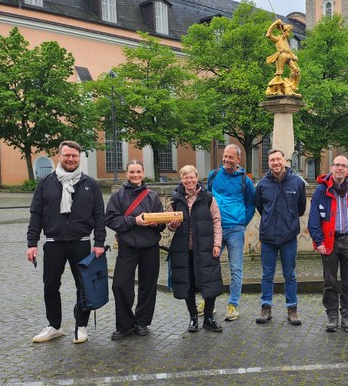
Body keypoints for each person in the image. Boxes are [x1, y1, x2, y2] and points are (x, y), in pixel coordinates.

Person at [27, 140, 106, 344]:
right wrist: (32, 243)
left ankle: (81, 326)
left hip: (81, 243)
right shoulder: (45, 183)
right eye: (67, 155)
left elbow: (99, 216)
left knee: (84, 286)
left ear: (79, 158)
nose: (70, 159)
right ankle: (54, 326)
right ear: (59, 156)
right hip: (53, 242)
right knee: (50, 286)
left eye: (74, 156)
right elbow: (36, 214)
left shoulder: (90, 184)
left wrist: (99, 242)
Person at [105, 161, 165, 340]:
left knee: (148, 285)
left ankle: (142, 322)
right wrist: (134, 221)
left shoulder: (152, 196)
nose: (135, 175)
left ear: (143, 173)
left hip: (150, 246)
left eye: (138, 171)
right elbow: (111, 220)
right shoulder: (118, 196)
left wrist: (157, 223)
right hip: (128, 246)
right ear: (127, 174)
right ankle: (125, 324)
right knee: (120, 285)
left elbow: (161, 224)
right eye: (132, 172)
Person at [309, 155, 348, 333]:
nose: (339, 168)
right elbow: (313, 219)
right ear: (331, 168)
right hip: (329, 239)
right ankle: (332, 316)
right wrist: (318, 240)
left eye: (343, 166)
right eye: (336, 165)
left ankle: (347, 316)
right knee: (330, 280)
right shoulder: (321, 190)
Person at [254, 149, 308, 325]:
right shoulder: (262, 185)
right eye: (271, 160)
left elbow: (300, 209)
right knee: (267, 274)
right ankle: (266, 308)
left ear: (285, 161)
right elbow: (260, 208)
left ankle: (292, 309)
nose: (275, 163)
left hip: (288, 237)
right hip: (268, 237)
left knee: (290, 275)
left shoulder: (297, 183)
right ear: (268, 163)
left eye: (278, 159)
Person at [167, 165, 223, 333]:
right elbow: (169, 225)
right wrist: (172, 225)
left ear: (197, 178)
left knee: (209, 282)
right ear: (181, 180)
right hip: (184, 249)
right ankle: (193, 318)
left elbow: (216, 221)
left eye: (192, 177)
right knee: (187, 284)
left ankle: (209, 318)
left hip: (206, 247)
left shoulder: (208, 198)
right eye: (186, 178)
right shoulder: (175, 199)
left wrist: (217, 244)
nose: (189, 181)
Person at [206, 144, 256, 322]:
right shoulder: (213, 176)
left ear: (238, 160)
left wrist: (242, 221)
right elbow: (207, 199)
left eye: (230, 157)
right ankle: (208, 302)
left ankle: (233, 304)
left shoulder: (245, 181)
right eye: (225, 156)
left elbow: (251, 204)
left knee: (235, 268)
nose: (226, 160)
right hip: (215, 229)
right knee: (210, 267)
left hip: (235, 229)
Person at [265, 18, 301, 96]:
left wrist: (294, 56)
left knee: (296, 71)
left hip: (288, 56)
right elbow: (268, 35)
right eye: (288, 32)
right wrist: (275, 24)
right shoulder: (278, 39)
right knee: (279, 73)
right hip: (281, 56)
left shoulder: (286, 42)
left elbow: (289, 51)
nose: (289, 34)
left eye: (289, 32)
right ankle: (277, 89)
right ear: (283, 31)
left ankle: (290, 87)